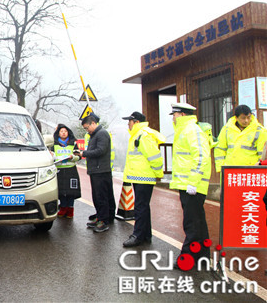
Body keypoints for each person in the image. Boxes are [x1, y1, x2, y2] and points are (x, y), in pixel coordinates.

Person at [169, 102, 212, 263]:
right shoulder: (184, 131)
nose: (173, 118)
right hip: (188, 185)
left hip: (192, 186)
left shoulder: (192, 130)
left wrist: (193, 182)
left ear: (182, 115)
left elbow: (201, 157)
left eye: (174, 115)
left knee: (191, 224)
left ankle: (188, 257)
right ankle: (202, 256)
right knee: (198, 222)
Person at [120, 111, 165, 247]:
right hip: (139, 177)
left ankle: (138, 235)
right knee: (143, 207)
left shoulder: (143, 136)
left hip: (144, 178)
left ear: (136, 122)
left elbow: (154, 157)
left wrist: (158, 173)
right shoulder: (137, 135)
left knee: (140, 207)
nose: (128, 124)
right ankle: (145, 234)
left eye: (130, 122)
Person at [80, 113, 115, 232]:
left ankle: (104, 220)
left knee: (102, 196)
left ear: (93, 123)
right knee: (97, 195)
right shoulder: (94, 135)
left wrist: (84, 153)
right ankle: (100, 216)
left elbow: (100, 150)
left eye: (87, 127)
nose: (86, 130)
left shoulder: (102, 134)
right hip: (95, 170)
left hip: (101, 170)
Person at [215, 104, 267, 172]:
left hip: (251, 171)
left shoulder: (260, 131)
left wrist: (260, 168)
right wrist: (220, 168)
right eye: (243, 118)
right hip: (230, 170)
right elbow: (220, 149)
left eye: (248, 117)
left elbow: (263, 154)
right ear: (236, 118)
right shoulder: (227, 129)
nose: (246, 120)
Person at [51, 124, 82, 218]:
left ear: (68, 132)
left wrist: (73, 157)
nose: (63, 133)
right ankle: (63, 207)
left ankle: (70, 209)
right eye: (61, 131)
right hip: (59, 170)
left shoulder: (73, 143)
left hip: (71, 170)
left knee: (71, 192)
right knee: (61, 191)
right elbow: (51, 155)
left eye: (65, 131)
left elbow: (79, 156)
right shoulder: (54, 144)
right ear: (58, 133)